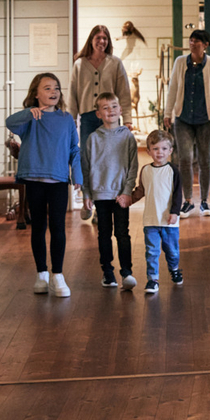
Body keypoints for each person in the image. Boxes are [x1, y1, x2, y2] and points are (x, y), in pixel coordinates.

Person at [6, 73, 83, 298]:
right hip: (33, 178)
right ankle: (42, 274)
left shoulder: (66, 118)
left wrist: (77, 174)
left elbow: (74, 149)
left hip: (58, 180)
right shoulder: (30, 118)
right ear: (36, 94)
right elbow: (10, 122)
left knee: (58, 227)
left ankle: (57, 275)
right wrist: (29, 112)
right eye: (47, 88)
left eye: (56, 88)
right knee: (38, 226)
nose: (53, 92)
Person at [69, 25, 133, 220]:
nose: (102, 41)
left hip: (112, 119)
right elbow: (73, 93)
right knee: (88, 160)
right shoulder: (79, 64)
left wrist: (128, 119)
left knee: (110, 162)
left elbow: (124, 93)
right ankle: (88, 198)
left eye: (105, 38)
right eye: (98, 37)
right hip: (88, 117)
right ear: (91, 40)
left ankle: (101, 208)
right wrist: (70, 119)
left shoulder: (115, 63)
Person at [163, 29, 210, 218]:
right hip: (183, 119)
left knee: (205, 159)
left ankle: (205, 201)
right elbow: (173, 87)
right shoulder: (180, 62)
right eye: (191, 41)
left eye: (197, 41)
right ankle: (188, 201)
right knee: (185, 158)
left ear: (205, 45)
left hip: (206, 119)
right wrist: (168, 112)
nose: (193, 44)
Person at [81, 92, 139, 290]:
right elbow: (86, 168)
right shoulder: (93, 139)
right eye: (105, 108)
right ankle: (108, 272)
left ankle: (127, 273)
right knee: (104, 233)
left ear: (120, 110)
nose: (110, 111)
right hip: (100, 193)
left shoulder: (127, 136)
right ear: (98, 114)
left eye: (114, 106)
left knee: (123, 233)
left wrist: (127, 191)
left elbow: (133, 167)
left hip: (120, 195)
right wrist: (87, 194)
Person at [132, 129, 183, 294]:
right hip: (150, 220)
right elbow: (141, 190)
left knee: (172, 251)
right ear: (148, 151)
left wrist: (175, 212)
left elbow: (177, 194)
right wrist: (128, 200)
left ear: (170, 151)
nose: (159, 152)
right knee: (152, 252)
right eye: (155, 149)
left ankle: (174, 269)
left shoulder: (173, 170)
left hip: (169, 221)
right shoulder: (145, 170)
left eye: (163, 149)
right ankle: (153, 280)